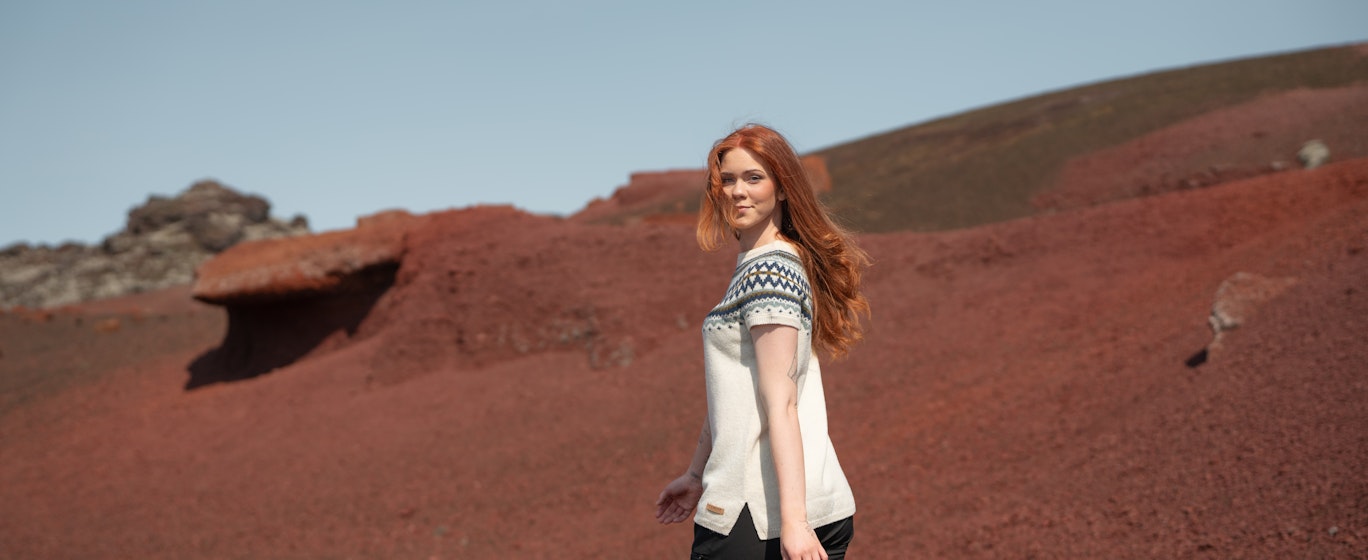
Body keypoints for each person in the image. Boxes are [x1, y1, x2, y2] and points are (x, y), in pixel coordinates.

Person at [655, 124, 870, 559]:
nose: (737, 191)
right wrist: (696, 475)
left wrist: (793, 524)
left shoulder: (768, 272)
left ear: (783, 187)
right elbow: (738, 391)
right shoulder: (771, 264)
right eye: (728, 180)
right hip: (804, 504)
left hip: (758, 516)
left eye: (753, 178)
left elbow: (780, 402)